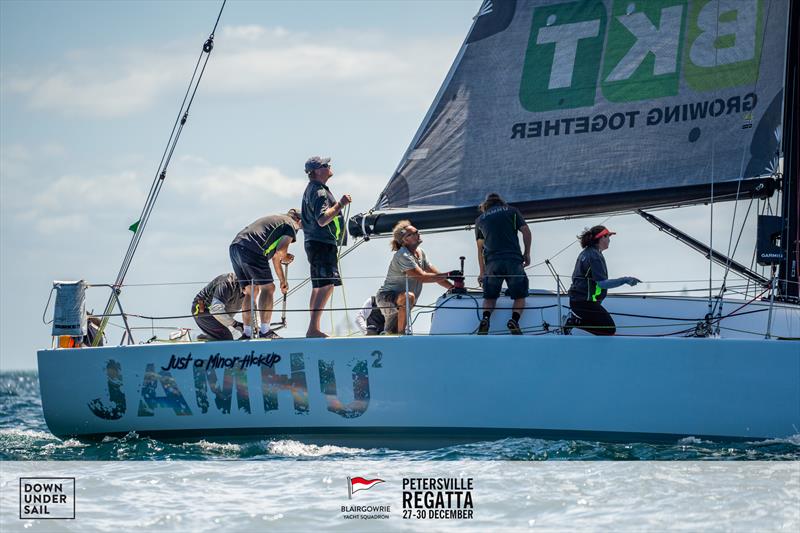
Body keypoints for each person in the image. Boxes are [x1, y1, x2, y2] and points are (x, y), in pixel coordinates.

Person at [229, 209, 302, 339]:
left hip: (235, 247)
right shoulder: (291, 225)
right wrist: (284, 257)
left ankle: (247, 332)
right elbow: (280, 252)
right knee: (268, 288)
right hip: (252, 248)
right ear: (299, 221)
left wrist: (282, 281)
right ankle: (265, 331)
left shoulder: (279, 220)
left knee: (251, 290)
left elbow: (275, 257)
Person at [375, 220, 455, 334]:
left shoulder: (420, 252)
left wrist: (453, 288)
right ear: (405, 240)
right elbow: (422, 277)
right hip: (387, 297)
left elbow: (435, 275)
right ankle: (402, 335)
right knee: (409, 297)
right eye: (413, 233)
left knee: (390, 332)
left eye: (417, 231)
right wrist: (449, 274)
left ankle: (395, 335)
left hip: (403, 300)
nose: (418, 233)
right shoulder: (403, 255)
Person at [302, 156, 351, 338]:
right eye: (325, 165)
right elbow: (322, 219)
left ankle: (313, 328)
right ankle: (313, 329)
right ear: (317, 171)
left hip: (316, 242)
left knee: (320, 285)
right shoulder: (319, 191)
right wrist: (341, 204)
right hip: (321, 242)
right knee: (327, 284)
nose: (329, 166)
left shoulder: (313, 189)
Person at [475, 193, 532, 335]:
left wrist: (482, 272)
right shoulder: (511, 211)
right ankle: (514, 320)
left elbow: (480, 249)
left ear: (486, 205)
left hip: (492, 263)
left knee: (490, 297)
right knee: (520, 296)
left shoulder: (480, 219)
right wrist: (527, 253)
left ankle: (486, 319)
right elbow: (526, 231)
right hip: (513, 259)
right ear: (501, 202)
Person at [567, 226, 640, 336]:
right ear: (601, 238)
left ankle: (575, 322)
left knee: (604, 327)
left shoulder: (586, 253)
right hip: (584, 303)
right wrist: (625, 280)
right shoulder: (594, 256)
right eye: (608, 236)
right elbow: (602, 283)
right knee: (609, 329)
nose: (609, 240)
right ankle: (573, 322)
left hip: (578, 301)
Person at [192, 273, 245, 341]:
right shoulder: (226, 283)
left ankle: (209, 337)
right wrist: (236, 324)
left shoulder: (252, 289)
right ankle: (205, 338)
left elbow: (254, 312)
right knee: (226, 337)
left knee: (233, 335)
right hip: (202, 309)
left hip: (221, 315)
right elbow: (216, 310)